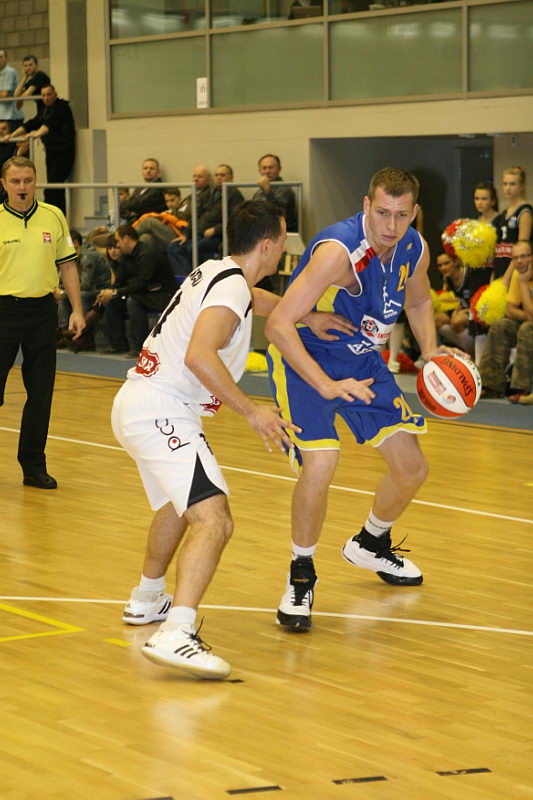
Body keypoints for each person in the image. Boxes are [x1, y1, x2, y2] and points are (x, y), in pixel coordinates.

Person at [264, 167, 461, 632]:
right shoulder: (338, 252)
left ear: (414, 213)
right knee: (321, 463)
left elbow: (418, 302)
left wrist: (431, 351)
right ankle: (300, 574)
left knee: (412, 468)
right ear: (366, 205)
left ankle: (370, 543)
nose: (391, 225)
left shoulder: (414, 247)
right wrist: (324, 384)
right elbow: (278, 324)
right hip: (305, 362)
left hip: (362, 362)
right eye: (383, 213)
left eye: (401, 215)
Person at [112, 200, 298, 680]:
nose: (284, 249)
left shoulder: (218, 271)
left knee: (179, 507)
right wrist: (253, 411)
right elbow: (200, 355)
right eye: (283, 241)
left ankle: (147, 598)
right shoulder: (232, 285)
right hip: (162, 409)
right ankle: (177, 631)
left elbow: (255, 299)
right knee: (215, 520)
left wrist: (303, 316)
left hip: (138, 402)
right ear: (267, 245)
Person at [0, 156, 84, 489]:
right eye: (15, 181)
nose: (22, 187)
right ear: (4, 184)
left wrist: (77, 310)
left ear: (36, 182)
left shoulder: (54, 216)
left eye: (28, 180)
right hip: (3, 312)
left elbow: (68, 266)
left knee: (40, 393)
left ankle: (33, 467)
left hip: (42, 313)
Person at [96, 224, 177, 358]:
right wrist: (108, 292)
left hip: (164, 293)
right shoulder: (127, 256)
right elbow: (121, 280)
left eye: (118, 241)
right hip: (145, 292)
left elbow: (141, 283)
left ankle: (141, 347)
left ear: (126, 239)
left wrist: (116, 293)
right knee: (113, 302)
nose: (117, 244)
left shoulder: (147, 254)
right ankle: (117, 344)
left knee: (133, 301)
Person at [5, 85, 76, 214]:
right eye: (43, 95)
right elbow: (32, 123)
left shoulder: (62, 107)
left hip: (63, 154)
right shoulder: (44, 110)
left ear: (55, 94)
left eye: (49, 94)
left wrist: (35, 135)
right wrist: (11, 136)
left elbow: (49, 124)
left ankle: (53, 215)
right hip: (51, 153)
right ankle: (57, 214)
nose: (46, 98)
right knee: (54, 189)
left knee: (52, 189)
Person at [478, 240, 533, 402]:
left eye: (524, 256)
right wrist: (526, 315)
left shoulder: (521, 278)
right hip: (527, 321)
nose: (520, 261)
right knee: (500, 325)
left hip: (528, 327)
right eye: (515, 258)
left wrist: (523, 283)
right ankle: (491, 385)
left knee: (527, 329)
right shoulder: (518, 273)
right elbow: (510, 310)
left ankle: (522, 388)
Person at [166, 164, 244, 275]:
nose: (219, 178)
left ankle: (200, 278)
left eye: (222, 175)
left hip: (219, 236)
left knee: (193, 248)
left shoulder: (234, 194)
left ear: (231, 177)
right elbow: (197, 215)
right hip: (200, 233)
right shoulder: (212, 192)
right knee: (173, 248)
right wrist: (186, 234)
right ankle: (186, 279)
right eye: (217, 175)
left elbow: (236, 220)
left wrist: (216, 229)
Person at [434, 250, 492, 364]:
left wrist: (459, 313)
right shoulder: (448, 278)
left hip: (478, 310)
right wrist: (456, 311)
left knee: (457, 321)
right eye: (439, 265)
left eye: (446, 263)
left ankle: (472, 355)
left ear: (456, 261)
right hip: (464, 308)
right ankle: (437, 356)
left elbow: (477, 302)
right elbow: (460, 299)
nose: (443, 268)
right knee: (434, 319)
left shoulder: (470, 275)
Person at [492, 167, 533, 284]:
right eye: (505, 184)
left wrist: (507, 277)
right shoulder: (503, 214)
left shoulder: (524, 212)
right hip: (500, 269)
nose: (507, 188)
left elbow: (522, 249)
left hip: (515, 273)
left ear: (522, 186)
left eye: (512, 184)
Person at [253, 154, 298, 232]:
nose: (267, 171)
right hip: (263, 232)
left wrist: (268, 191)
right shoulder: (258, 192)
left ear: (279, 169)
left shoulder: (285, 190)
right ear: (259, 171)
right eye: (264, 168)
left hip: (282, 233)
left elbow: (278, 215)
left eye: (270, 167)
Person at [121, 158, 166, 223]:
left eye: (152, 168)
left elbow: (138, 204)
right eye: (145, 168)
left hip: (150, 222)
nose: (148, 171)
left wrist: (133, 209)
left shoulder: (159, 187)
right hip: (135, 220)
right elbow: (122, 206)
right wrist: (130, 214)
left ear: (158, 172)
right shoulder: (140, 187)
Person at [0, 49, 24, 131]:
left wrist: (2, 94)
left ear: (6, 59)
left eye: (1, 57)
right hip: (2, 115)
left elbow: (5, 94)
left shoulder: (9, 72)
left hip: (11, 117)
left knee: (10, 139)